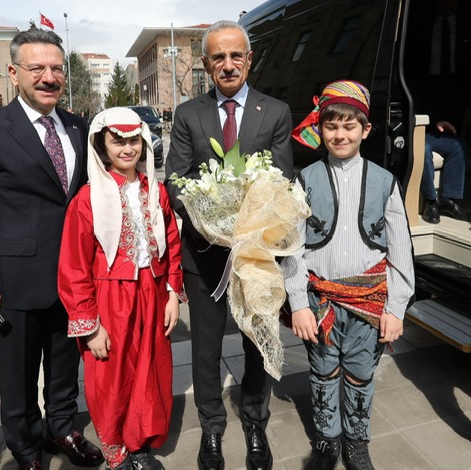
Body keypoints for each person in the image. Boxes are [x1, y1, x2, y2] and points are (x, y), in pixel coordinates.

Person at [0, 28, 103, 470]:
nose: (49, 77)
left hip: (73, 281)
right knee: (17, 375)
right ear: (15, 73)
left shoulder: (77, 126)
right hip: (14, 284)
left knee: (62, 366)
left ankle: (62, 428)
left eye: (56, 68)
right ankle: (25, 446)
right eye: (37, 68)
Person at [164, 20, 294, 470]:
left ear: (249, 59)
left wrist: (249, 230)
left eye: (236, 55)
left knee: (256, 342)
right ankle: (212, 429)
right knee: (205, 348)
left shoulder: (274, 112)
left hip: (255, 257)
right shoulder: (187, 114)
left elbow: (283, 182)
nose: (228, 64)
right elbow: (176, 182)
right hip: (204, 255)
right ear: (205, 64)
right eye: (218, 57)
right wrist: (213, 225)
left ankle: (256, 422)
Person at [283, 80, 415, 469]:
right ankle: (327, 438)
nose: (339, 135)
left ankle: (357, 441)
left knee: (361, 372)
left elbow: (401, 251)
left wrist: (396, 308)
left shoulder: (385, 182)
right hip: (319, 302)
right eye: (331, 126)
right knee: (323, 371)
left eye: (349, 126)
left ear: (366, 130)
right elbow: (292, 248)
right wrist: (297, 304)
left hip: (369, 303)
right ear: (320, 128)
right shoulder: (304, 180)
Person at [58, 107, 187, 470]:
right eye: (118, 141)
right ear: (102, 144)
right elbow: (74, 267)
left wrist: (173, 295)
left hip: (152, 291)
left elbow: (172, 245)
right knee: (110, 374)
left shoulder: (155, 191)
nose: (127, 149)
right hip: (110, 299)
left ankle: (140, 439)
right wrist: (90, 325)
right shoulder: (88, 199)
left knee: (150, 369)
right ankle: (114, 444)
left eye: (134, 140)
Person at [405, 0, 471, 224]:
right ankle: (431, 201)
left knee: (458, 146)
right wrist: (433, 119)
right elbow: (412, 84)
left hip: (447, 106)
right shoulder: (418, 34)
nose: (448, 2)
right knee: (422, 147)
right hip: (415, 123)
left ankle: (448, 200)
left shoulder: (467, 28)